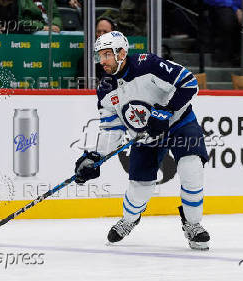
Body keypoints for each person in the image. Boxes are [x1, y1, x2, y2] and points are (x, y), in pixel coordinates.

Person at [74, 31, 210, 250]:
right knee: (140, 188)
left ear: (122, 53)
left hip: (179, 123)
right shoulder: (105, 89)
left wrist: (166, 111)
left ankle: (193, 224)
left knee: (191, 168)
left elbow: (189, 82)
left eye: (107, 54)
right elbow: (112, 128)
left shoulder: (149, 65)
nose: (102, 61)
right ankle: (129, 219)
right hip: (145, 135)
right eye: (100, 55)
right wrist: (94, 157)